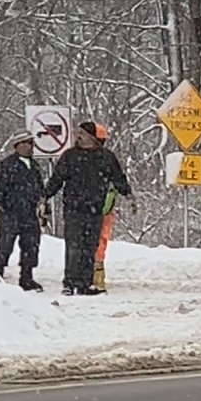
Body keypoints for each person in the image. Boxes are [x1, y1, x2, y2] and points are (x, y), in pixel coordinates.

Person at [42, 121, 136, 296]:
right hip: (73, 208)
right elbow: (57, 179)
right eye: (78, 132)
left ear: (92, 138)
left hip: (95, 209)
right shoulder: (69, 156)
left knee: (90, 247)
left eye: (82, 133)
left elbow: (118, 178)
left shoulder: (106, 157)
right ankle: (69, 283)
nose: (78, 136)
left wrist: (128, 194)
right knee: (73, 246)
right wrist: (46, 194)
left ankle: (86, 283)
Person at [0, 130, 46, 292]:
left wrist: (43, 201)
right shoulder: (8, 164)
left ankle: (27, 276)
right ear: (18, 145)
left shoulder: (34, 165)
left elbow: (39, 187)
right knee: (5, 243)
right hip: (11, 210)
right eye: (28, 143)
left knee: (31, 245)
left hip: (30, 211)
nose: (31, 147)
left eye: (32, 143)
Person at [91, 123, 118, 292]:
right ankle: (97, 277)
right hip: (103, 209)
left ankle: (92, 276)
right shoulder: (108, 158)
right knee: (100, 243)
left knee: (91, 243)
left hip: (96, 209)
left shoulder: (83, 158)